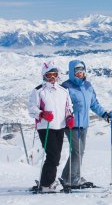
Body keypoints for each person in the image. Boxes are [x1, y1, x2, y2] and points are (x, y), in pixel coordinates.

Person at [60, 60, 112, 187]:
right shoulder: (66, 87)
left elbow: (94, 104)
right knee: (77, 151)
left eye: (82, 71)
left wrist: (104, 114)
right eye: (77, 71)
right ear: (72, 72)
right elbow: (61, 105)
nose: (80, 73)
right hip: (71, 124)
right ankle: (73, 179)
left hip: (83, 124)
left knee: (79, 152)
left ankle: (67, 176)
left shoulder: (88, 86)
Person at [28, 61, 75, 193]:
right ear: (44, 76)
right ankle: (46, 183)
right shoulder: (38, 91)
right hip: (45, 127)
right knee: (53, 155)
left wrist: (70, 117)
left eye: (55, 74)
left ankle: (48, 181)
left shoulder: (63, 91)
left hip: (59, 126)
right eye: (50, 75)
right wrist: (42, 114)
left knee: (56, 156)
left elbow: (68, 107)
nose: (53, 77)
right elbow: (31, 109)